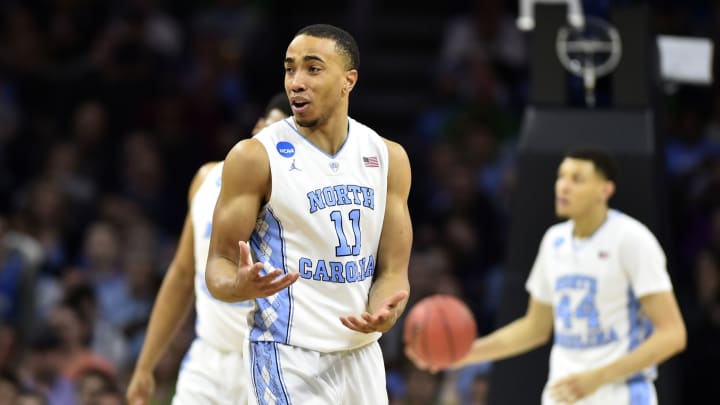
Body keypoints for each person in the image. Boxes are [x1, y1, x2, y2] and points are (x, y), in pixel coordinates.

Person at [205, 24, 413, 405]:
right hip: (287, 354)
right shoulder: (255, 157)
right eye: (289, 69)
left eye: (312, 69)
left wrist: (386, 309)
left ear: (348, 80)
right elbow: (218, 264)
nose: (296, 82)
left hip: (361, 356)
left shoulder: (388, 158)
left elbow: (392, 271)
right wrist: (239, 286)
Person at [407, 148, 687, 404]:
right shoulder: (554, 241)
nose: (563, 186)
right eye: (561, 176)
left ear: (605, 189)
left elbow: (673, 334)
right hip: (562, 393)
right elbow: (534, 329)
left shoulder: (632, 240)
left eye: (577, 179)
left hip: (620, 393)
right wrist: (458, 355)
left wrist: (598, 377)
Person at [125, 94, 291, 405]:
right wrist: (145, 365)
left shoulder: (301, 200)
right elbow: (182, 273)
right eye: (273, 132)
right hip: (209, 361)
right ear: (257, 127)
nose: (277, 149)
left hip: (279, 362)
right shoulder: (206, 178)